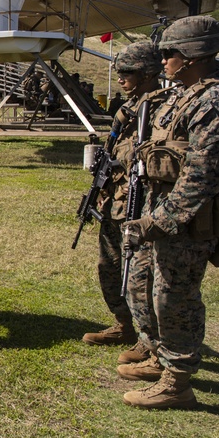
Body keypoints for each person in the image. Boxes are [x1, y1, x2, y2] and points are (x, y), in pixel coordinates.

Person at [120, 15, 219, 409]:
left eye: (169, 53)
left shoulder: (215, 101)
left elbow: (203, 177)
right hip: (159, 211)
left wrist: (159, 221)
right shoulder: (184, 95)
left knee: (175, 296)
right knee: (146, 287)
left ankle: (177, 382)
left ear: (190, 56)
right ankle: (159, 355)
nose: (164, 62)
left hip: (186, 221)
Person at [81, 41, 168, 349]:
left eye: (126, 72)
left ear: (147, 73)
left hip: (142, 207)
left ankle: (151, 339)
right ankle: (123, 324)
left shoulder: (163, 110)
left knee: (140, 275)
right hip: (114, 203)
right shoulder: (127, 110)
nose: (120, 78)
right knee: (110, 267)